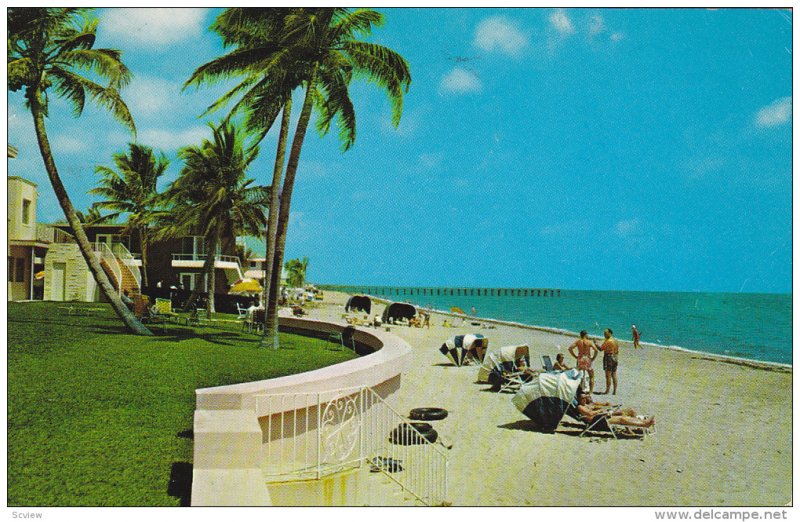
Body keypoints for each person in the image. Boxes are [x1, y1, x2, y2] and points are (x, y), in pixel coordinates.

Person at [575, 390, 654, 429]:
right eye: (582, 398)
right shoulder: (580, 407)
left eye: (585, 398)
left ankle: (639, 425)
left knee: (630, 411)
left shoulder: (588, 404)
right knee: (622, 418)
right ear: (578, 399)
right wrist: (602, 411)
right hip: (597, 421)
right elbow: (590, 414)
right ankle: (644, 424)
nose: (585, 399)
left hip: (602, 416)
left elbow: (602, 405)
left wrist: (612, 406)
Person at [596, 328, 620, 395]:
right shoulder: (615, 340)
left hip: (608, 357)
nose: (604, 334)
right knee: (614, 374)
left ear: (610, 333)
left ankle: (607, 390)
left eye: (606, 333)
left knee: (608, 375)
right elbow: (617, 350)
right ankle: (614, 391)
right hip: (615, 357)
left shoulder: (608, 341)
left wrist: (596, 343)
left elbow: (600, 349)